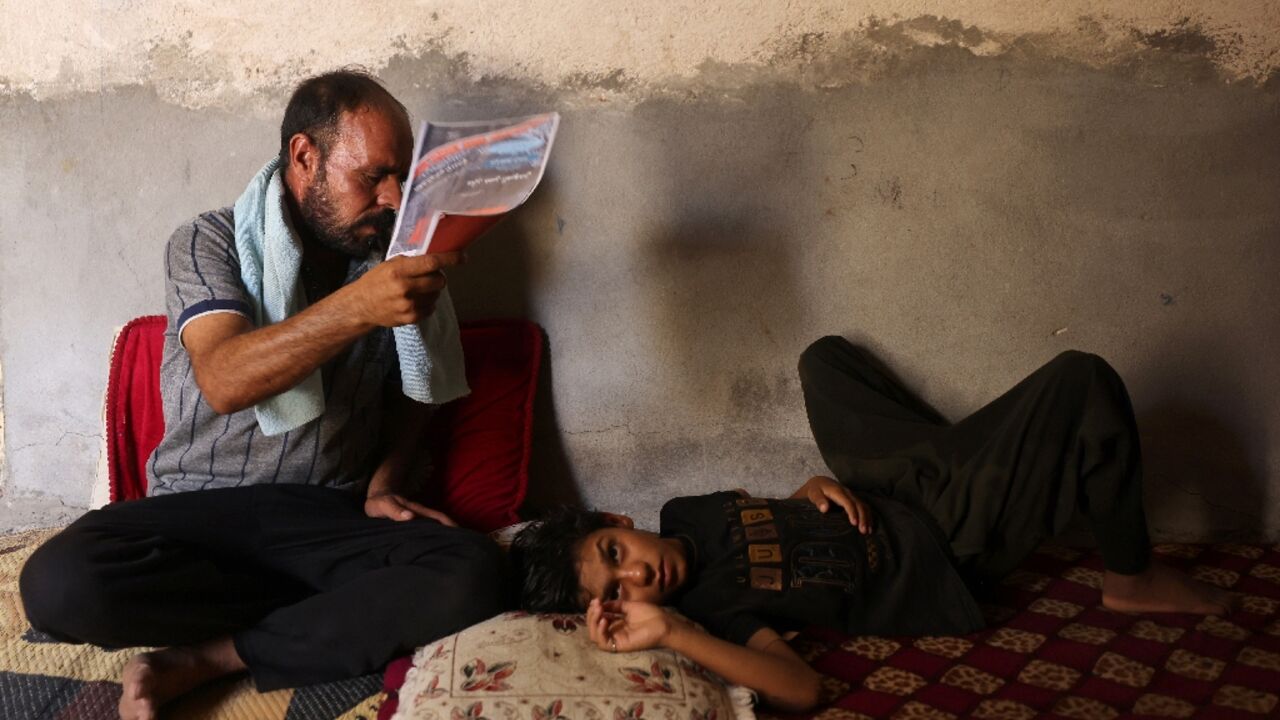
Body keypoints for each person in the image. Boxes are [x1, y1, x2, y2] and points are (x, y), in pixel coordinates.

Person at [19, 70, 507, 720]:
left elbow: (418, 387)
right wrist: (359, 307)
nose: (394, 197)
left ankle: (210, 657)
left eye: (403, 176)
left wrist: (384, 482)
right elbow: (223, 378)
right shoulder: (209, 242)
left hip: (324, 518)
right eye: (374, 176)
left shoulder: (389, 254)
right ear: (306, 158)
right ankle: (322, 618)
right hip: (196, 520)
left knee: (475, 571)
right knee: (56, 583)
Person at [511, 338, 1236, 711]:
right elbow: (799, 690)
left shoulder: (683, 511)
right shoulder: (708, 613)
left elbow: (763, 520)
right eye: (622, 590)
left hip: (879, 491)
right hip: (938, 546)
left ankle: (969, 456)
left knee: (823, 359)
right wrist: (670, 631)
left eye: (615, 552)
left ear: (618, 521)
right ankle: (1130, 576)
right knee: (1082, 379)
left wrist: (807, 490)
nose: (639, 575)